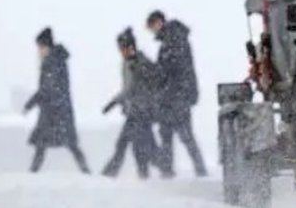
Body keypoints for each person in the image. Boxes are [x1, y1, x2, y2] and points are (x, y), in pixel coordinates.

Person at [146, 10, 208, 178]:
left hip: (179, 95)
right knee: (167, 133)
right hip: (171, 96)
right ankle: (168, 171)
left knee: (184, 134)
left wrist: (166, 89)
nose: (152, 30)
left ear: (159, 22)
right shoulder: (169, 41)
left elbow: (176, 70)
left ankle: (200, 170)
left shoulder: (175, 38)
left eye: (152, 26)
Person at [24, 27, 90, 173]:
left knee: (48, 143)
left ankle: (33, 172)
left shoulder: (52, 63)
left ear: (46, 46)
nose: (39, 52)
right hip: (58, 110)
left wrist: (30, 104)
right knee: (60, 144)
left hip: (55, 111)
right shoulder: (55, 61)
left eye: (40, 47)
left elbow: (47, 88)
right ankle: (85, 171)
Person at [101, 28, 162, 178]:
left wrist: (114, 102)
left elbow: (133, 88)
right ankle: (114, 173)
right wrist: (120, 102)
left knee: (137, 147)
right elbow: (127, 88)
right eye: (121, 49)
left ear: (132, 47)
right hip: (134, 111)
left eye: (125, 48)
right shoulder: (127, 63)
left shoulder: (141, 63)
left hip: (142, 112)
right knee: (131, 145)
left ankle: (148, 173)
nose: (123, 52)